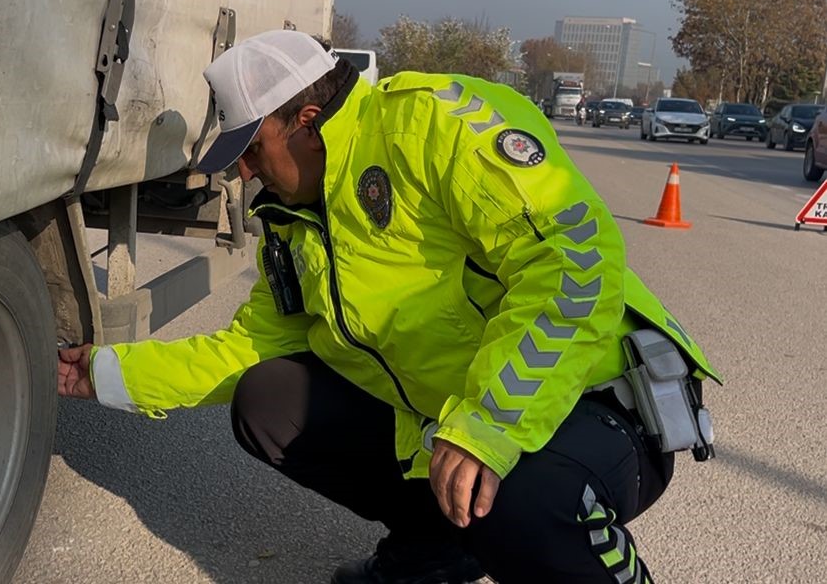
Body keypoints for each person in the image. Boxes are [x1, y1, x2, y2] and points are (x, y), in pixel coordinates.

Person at [57, 30, 720, 583]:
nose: (245, 174)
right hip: (460, 420)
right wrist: (110, 373)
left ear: (307, 122)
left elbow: (575, 259)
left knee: (523, 500)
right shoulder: (298, 220)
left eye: (254, 149)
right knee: (268, 399)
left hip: (597, 402)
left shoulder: (432, 124)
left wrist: (489, 425)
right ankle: (442, 545)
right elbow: (252, 347)